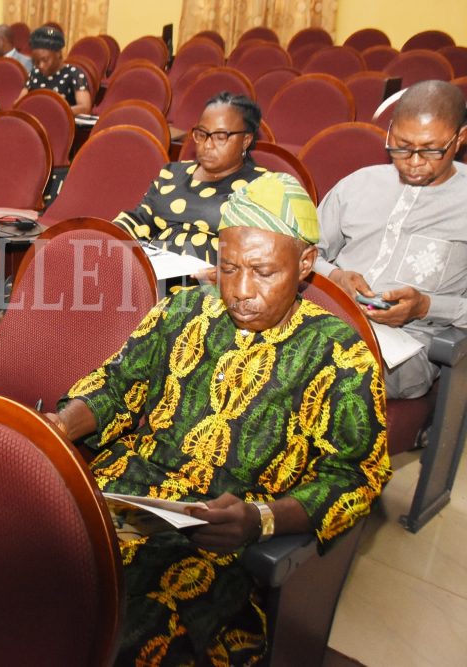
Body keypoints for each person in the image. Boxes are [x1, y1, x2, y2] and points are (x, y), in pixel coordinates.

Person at [48, 172, 390, 664]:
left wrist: (262, 520)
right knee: (14, 561)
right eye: (228, 268)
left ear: (305, 263)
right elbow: (118, 385)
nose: (241, 291)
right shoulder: (184, 308)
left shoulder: (338, 354)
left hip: (223, 532)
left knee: (130, 633)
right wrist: (62, 426)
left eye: (263, 272)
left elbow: (356, 475)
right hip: (126, 490)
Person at [315, 80, 467, 400]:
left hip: (409, 347)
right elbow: (301, 253)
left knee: (318, 364)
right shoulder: (358, 184)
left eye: (431, 150)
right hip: (329, 315)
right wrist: (335, 276)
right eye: (401, 146)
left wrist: (426, 307)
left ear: (460, 138)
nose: (413, 161)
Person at [115, 92, 266, 264]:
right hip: (155, 269)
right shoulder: (172, 173)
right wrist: (105, 236)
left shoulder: (261, 186)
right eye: (202, 134)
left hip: (213, 277)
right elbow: (139, 219)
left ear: (246, 140)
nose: (207, 145)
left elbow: (259, 253)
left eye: (220, 137)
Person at [16, 25, 91, 115]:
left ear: (58, 53)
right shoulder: (35, 73)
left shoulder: (74, 74)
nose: (41, 65)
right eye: (36, 61)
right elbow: (18, 104)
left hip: (61, 120)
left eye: (45, 60)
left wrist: (57, 108)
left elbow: (85, 107)